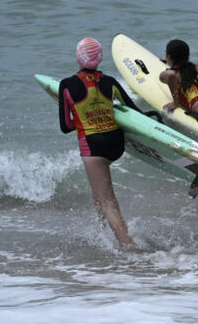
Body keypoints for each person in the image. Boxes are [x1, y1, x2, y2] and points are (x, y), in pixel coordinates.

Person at [57, 37, 141, 248]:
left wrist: (84, 116)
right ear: (100, 58)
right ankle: (100, 232)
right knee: (101, 192)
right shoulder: (111, 81)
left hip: (94, 147)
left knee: (106, 201)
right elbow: (134, 112)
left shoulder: (67, 85)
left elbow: (66, 126)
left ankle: (128, 246)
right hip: (116, 143)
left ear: (79, 57)